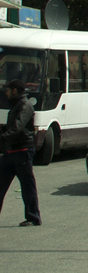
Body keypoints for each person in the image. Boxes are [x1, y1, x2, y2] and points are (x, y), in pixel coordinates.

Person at [0, 79, 41, 226]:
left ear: (15, 91)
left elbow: (17, 127)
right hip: (11, 151)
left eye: (8, 90)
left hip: (23, 151)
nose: (6, 93)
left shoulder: (25, 105)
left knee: (27, 186)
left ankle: (33, 217)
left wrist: (2, 137)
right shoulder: (15, 105)